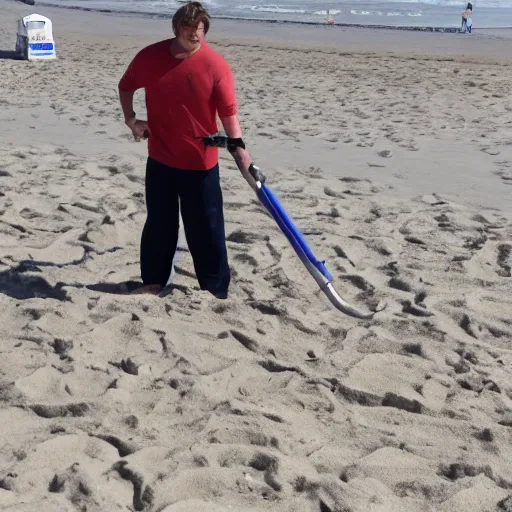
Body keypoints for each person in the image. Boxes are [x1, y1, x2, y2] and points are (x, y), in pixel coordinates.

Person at [118, 1, 254, 298]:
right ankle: (153, 281)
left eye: (200, 29)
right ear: (177, 27)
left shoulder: (215, 65)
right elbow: (126, 85)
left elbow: (229, 111)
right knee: (159, 224)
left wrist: (239, 147)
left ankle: (215, 290)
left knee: (206, 229)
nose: (195, 34)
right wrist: (131, 120)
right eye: (189, 28)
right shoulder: (150, 56)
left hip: (200, 163)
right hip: (161, 158)